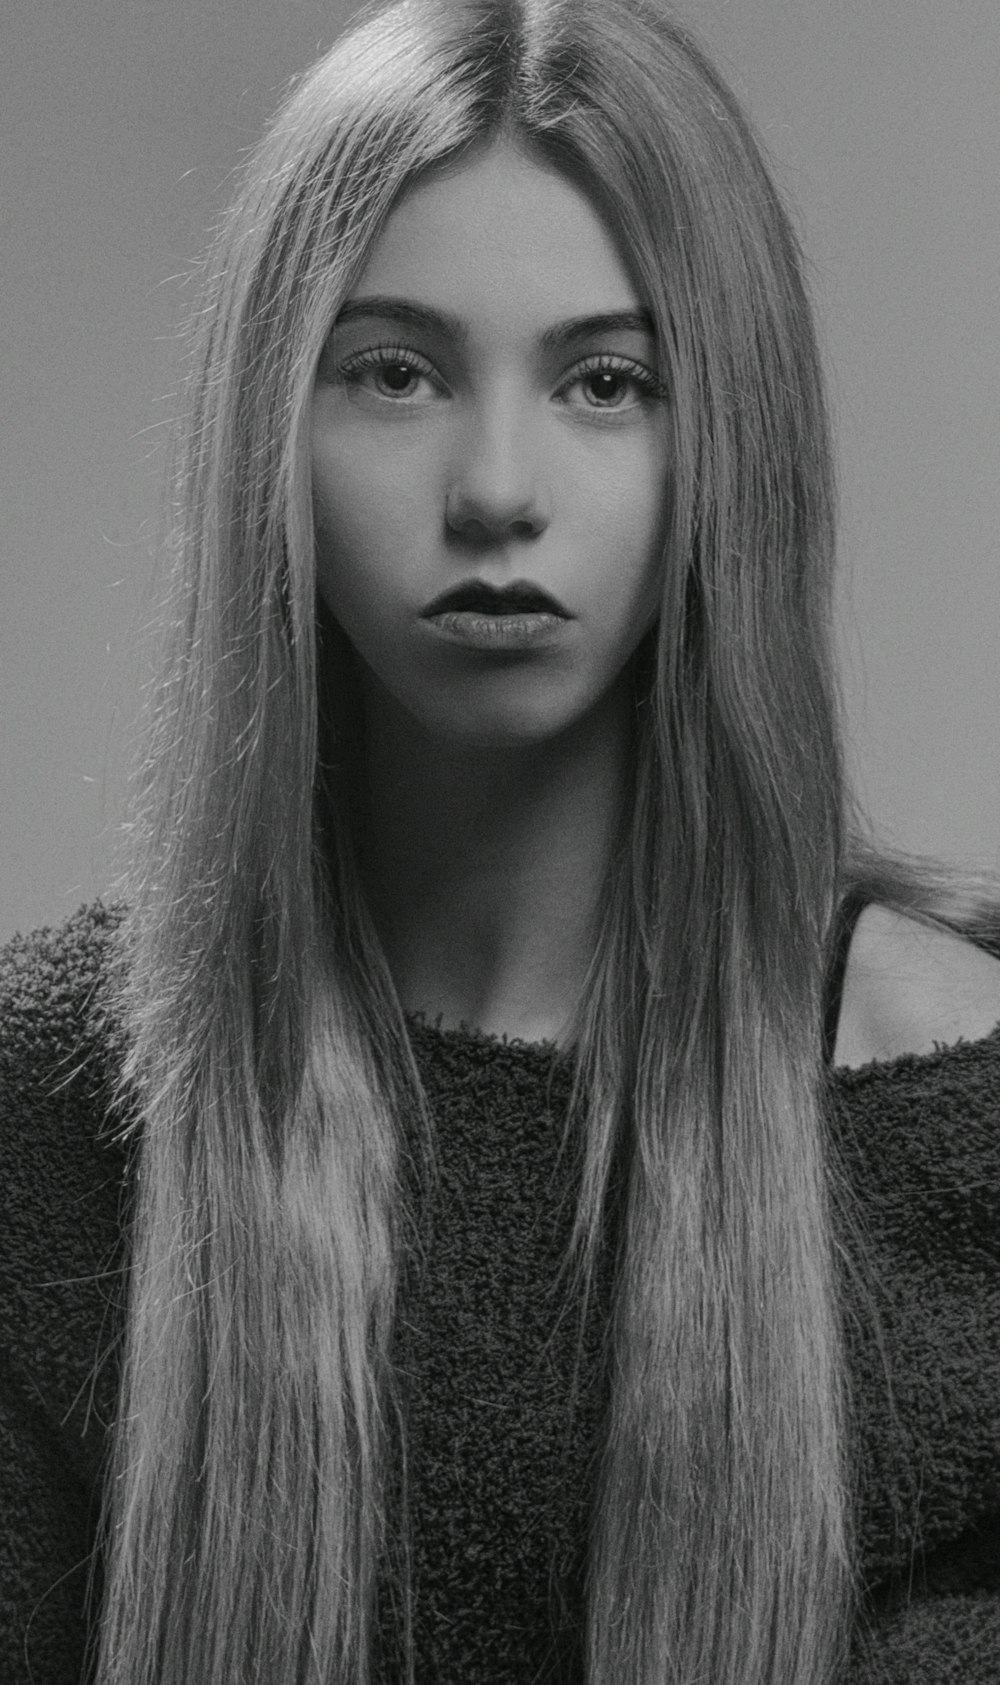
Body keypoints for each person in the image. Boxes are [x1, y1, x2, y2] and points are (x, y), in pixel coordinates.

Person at [1, 0, 998, 1680]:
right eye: (395, 369)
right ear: (273, 434)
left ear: (728, 449)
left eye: (609, 382)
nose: (497, 487)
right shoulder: (56, 1105)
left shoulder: (954, 1112)